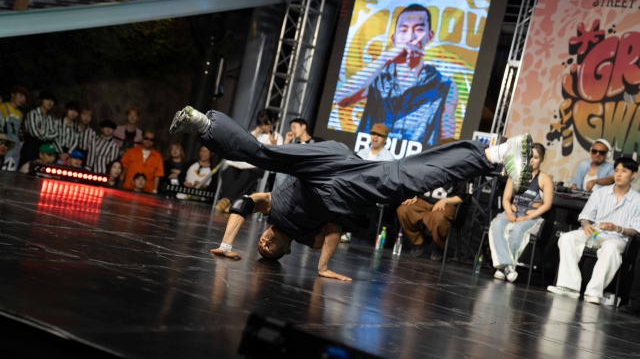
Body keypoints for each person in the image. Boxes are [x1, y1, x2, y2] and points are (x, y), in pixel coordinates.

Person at [170, 106, 533, 281]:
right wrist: (323, 268)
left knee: (264, 155)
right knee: (404, 180)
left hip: (320, 165)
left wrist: (229, 245)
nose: (264, 244)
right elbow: (331, 232)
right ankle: (500, 152)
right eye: (270, 250)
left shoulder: (272, 213)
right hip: (340, 184)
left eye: (261, 246)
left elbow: (244, 203)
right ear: (287, 250)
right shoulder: (307, 238)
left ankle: (200, 121)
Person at [337, 5, 458, 146]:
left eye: (419, 29)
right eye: (403, 30)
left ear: (429, 36)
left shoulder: (444, 86)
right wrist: (385, 58)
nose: (410, 37)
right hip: (371, 159)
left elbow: (447, 139)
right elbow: (342, 100)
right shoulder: (376, 77)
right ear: (394, 39)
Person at [547, 157, 640, 303]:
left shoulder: (637, 200)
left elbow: (637, 231)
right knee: (568, 238)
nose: (618, 174)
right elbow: (584, 217)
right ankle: (569, 287)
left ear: (633, 175)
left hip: (618, 238)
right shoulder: (600, 193)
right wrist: (586, 224)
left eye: (624, 171)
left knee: (611, 248)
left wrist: (618, 228)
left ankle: (593, 292)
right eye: (616, 171)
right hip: (596, 233)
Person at [489, 143, 554, 282]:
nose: (531, 160)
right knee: (496, 224)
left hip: (532, 218)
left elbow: (547, 205)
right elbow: (506, 199)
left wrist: (528, 217)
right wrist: (509, 213)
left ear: (541, 159)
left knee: (517, 230)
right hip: (512, 213)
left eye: (535, 157)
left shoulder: (545, 179)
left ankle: (503, 268)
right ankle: (507, 266)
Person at [213, 113, 284, 212]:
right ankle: (231, 201)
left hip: (260, 165)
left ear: (271, 122)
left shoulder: (277, 136)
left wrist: (274, 145)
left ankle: (227, 199)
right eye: (261, 124)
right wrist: (255, 133)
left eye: (265, 124)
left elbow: (277, 156)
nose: (263, 127)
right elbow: (243, 146)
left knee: (247, 174)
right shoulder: (254, 132)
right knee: (228, 171)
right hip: (245, 162)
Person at [397, 181, 468, 260]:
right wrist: (414, 195)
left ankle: (440, 247)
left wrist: (444, 201)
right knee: (403, 210)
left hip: (446, 203)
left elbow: (463, 196)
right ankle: (418, 242)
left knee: (438, 218)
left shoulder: (461, 171)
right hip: (423, 200)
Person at [22, 91, 58, 164]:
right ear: (40, 100)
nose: (50, 102)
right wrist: (47, 134)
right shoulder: (32, 114)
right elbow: (34, 133)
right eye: (47, 99)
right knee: (27, 168)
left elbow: (55, 134)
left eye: (52, 101)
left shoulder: (50, 118)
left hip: (45, 148)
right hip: (31, 146)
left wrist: (42, 132)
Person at [0, 85, 31, 169]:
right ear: (13, 95)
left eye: (24, 98)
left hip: (15, 147)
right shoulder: (3, 107)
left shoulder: (20, 114)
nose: (22, 99)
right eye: (20, 96)